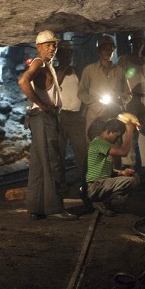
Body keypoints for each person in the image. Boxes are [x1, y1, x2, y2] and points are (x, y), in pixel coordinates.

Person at [17, 30, 78, 221]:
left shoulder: (48, 65)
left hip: (41, 119)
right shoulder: (39, 63)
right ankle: (55, 208)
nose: (52, 48)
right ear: (38, 47)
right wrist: (43, 105)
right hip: (44, 118)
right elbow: (23, 81)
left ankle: (36, 207)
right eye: (48, 45)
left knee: (38, 164)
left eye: (54, 45)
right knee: (53, 162)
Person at [117, 31, 145, 176]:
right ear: (130, 43)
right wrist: (120, 101)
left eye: (139, 42)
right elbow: (119, 80)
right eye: (134, 42)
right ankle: (130, 167)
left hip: (144, 99)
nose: (137, 44)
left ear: (144, 43)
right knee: (128, 132)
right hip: (128, 100)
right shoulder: (123, 60)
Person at [77, 35, 132, 141]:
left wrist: (119, 97)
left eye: (111, 49)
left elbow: (128, 94)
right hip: (95, 115)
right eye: (105, 49)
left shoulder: (120, 71)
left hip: (114, 115)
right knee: (94, 149)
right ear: (99, 51)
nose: (109, 52)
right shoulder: (89, 70)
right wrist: (94, 100)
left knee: (113, 150)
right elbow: (81, 92)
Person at [54, 39, 89, 198]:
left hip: (75, 117)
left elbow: (85, 91)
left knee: (81, 152)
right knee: (58, 152)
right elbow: (54, 86)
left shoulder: (77, 71)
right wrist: (62, 69)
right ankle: (61, 183)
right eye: (63, 53)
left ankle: (85, 183)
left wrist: (85, 110)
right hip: (59, 116)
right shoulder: (54, 72)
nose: (67, 56)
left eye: (69, 53)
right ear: (58, 55)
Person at [85, 117, 140, 216]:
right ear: (109, 132)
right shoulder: (99, 142)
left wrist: (121, 173)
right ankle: (105, 201)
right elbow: (123, 152)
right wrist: (129, 132)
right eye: (117, 136)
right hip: (95, 186)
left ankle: (106, 201)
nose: (118, 139)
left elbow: (106, 170)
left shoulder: (103, 144)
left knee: (134, 177)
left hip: (102, 184)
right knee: (131, 180)